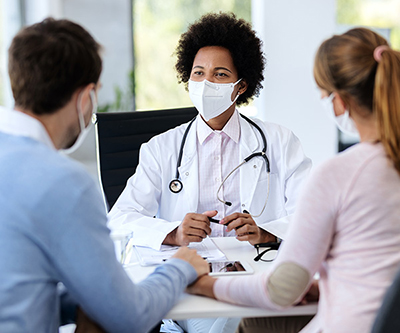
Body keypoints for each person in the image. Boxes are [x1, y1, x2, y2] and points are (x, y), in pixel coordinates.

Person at [0, 18, 209, 333]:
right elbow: (130, 317)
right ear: (86, 98)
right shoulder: (64, 182)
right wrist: (181, 267)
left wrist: (86, 292)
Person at [186, 27, 400, 333]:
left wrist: (200, 283)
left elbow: (279, 290)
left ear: (338, 102)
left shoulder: (341, 174)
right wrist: (327, 285)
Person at [108, 11, 311, 333]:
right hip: (188, 281)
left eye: (219, 75)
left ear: (240, 86)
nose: (205, 83)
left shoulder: (279, 141)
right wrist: (173, 232)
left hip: (253, 276)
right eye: (198, 73)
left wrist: (267, 231)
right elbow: (120, 219)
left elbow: (309, 214)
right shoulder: (161, 148)